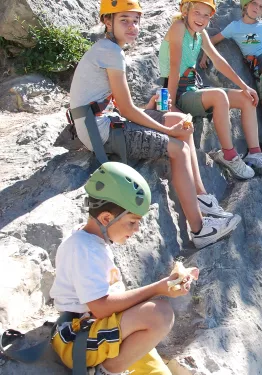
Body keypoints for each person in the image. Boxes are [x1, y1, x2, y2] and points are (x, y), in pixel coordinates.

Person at [69, 0, 240, 249]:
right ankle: (200, 229)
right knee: (177, 148)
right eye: (124, 20)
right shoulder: (111, 52)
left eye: (135, 21)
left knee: (181, 120)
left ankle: (201, 197)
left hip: (102, 122)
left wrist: (151, 112)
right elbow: (125, 109)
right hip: (100, 132)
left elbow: (121, 106)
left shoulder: (109, 49)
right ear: (108, 22)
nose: (132, 26)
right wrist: (167, 131)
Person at [50, 162, 192, 375]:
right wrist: (158, 289)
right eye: (132, 222)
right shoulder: (83, 248)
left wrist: (169, 285)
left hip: (101, 330)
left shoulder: (95, 243)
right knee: (160, 314)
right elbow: (100, 307)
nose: (137, 229)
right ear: (106, 218)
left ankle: (112, 366)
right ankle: (106, 371)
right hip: (76, 339)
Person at [158, 0, 262, 179]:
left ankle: (255, 153)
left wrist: (244, 87)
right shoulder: (178, 27)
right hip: (178, 92)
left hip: (194, 88)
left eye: (206, 15)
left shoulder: (201, 34)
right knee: (219, 96)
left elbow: (218, 61)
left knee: (247, 98)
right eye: (197, 12)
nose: (201, 19)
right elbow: (174, 66)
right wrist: (170, 103)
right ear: (186, 11)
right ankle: (229, 155)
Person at [199, 0, 262, 153]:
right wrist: (205, 56)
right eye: (254, 4)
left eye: (261, 7)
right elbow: (213, 40)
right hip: (257, 68)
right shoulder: (235, 27)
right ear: (245, 5)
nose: (257, 8)